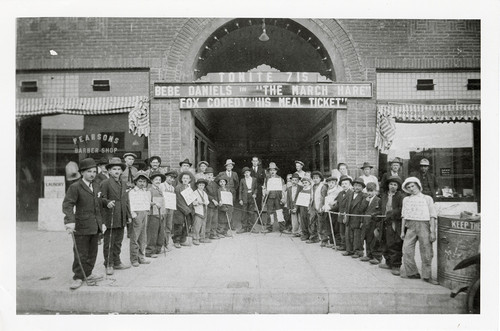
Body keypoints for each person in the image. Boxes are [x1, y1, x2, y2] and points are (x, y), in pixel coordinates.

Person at [62, 158, 104, 290]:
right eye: (89, 171)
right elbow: (68, 205)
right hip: (81, 226)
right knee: (81, 252)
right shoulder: (75, 187)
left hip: (95, 225)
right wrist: (70, 221)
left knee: (93, 252)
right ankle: (78, 277)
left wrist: (102, 223)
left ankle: (88, 273)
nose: (92, 174)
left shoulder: (97, 185)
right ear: (82, 172)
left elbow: (98, 204)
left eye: (94, 171)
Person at [400, 177, 439, 285]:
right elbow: (404, 216)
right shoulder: (406, 199)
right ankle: (412, 273)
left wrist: (432, 231)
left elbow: (432, 215)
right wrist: (402, 231)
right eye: (408, 187)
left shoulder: (427, 198)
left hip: (424, 225)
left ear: (418, 185)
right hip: (411, 226)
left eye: (413, 186)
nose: (411, 188)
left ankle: (427, 276)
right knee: (407, 250)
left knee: (426, 251)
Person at [100, 157, 132, 275]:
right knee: (109, 241)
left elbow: (126, 200)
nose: (117, 171)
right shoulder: (105, 183)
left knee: (118, 241)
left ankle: (117, 261)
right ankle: (109, 263)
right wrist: (107, 202)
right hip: (111, 215)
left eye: (119, 169)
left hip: (122, 215)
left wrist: (128, 215)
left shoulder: (123, 183)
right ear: (109, 171)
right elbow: (101, 198)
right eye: (114, 169)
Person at [374, 176, 405, 276]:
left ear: (398, 186)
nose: (392, 186)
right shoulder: (384, 196)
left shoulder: (401, 196)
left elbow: (402, 209)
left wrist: (392, 213)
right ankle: (388, 262)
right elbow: (381, 209)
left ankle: (396, 265)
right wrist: (376, 214)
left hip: (394, 223)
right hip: (384, 222)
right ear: (388, 185)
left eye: (395, 185)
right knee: (384, 242)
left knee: (394, 244)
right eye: (391, 184)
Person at [128, 171, 152, 267]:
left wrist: (150, 207)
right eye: (140, 181)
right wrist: (133, 215)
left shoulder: (145, 192)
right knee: (135, 237)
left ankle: (141, 256)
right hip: (136, 214)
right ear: (136, 182)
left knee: (143, 237)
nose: (142, 183)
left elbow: (146, 202)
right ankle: (134, 258)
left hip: (144, 213)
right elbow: (131, 204)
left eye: (144, 181)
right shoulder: (132, 192)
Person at [343, 177, 369, 258]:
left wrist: (362, 221)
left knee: (357, 236)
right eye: (355, 185)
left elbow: (362, 209)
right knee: (348, 235)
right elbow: (346, 206)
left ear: (362, 188)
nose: (357, 187)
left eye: (359, 186)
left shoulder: (364, 196)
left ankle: (358, 251)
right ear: (353, 186)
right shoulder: (350, 194)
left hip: (358, 219)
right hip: (349, 217)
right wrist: (345, 216)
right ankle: (349, 250)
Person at [146, 170, 167, 258]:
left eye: (159, 180)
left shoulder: (160, 190)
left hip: (161, 214)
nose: (158, 181)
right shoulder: (149, 190)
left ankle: (158, 249)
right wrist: (154, 203)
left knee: (160, 232)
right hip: (153, 214)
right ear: (152, 181)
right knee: (153, 233)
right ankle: (150, 251)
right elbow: (146, 202)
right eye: (156, 180)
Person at [331, 175, 354, 251]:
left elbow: (350, 205)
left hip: (347, 215)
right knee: (341, 231)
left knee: (347, 233)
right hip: (340, 215)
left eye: (346, 183)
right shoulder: (340, 193)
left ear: (349, 184)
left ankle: (348, 247)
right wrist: (330, 209)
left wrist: (346, 214)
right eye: (342, 184)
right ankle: (343, 245)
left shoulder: (351, 193)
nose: (344, 185)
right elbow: (337, 204)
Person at [262, 162, 286, 233]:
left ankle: (282, 228)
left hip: (278, 197)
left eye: (274, 170)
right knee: (270, 213)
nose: (272, 171)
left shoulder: (280, 178)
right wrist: (265, 192)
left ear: (276, 171)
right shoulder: (267, 179)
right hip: (270, 198)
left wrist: (283, 197)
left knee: (279, 212)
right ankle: (269, 228)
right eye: (271, 170)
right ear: (269, 171)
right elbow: (264, 187)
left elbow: (283, 188)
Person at [173, 172, 195, 248]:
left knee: (187, 225)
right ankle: (176, 240)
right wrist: (186, 209)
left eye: (187, 178)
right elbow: (178, 200)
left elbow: (191, 200)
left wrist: (191, 208)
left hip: (188, 210)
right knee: (179, 225)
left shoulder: (189, 189)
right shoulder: (178, 188)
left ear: (190, 180)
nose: (185, 180)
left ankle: (183, 239)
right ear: (181, 179)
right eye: (184, 178)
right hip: (180, 210)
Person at [359, 182, 380, 262]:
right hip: (366, 223)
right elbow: (361, 210)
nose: (369, 193)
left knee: (374, 240)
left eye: (371, 191)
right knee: (367, 239)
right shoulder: (366, 200)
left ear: (375, 191)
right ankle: (368, 255)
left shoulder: (378, 200)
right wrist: (366, 202)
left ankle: (376, 257)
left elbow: (379, 212)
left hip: (373, 223)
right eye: (368, 191)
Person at [322, 175, 342, 247]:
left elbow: (338, 202)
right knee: (329, 226)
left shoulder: (338, 191)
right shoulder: (328, 190)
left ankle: (337, 242)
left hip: (334, 211)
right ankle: (331, 241)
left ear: (336, 183)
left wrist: (334, 204)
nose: (330, 184)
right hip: (328, 211)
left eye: (332, 183)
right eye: (329, 183)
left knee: (335, 227)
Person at [308, 171, 328, 245]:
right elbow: (311, 197)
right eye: (314, 178)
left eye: (317, 178)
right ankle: (314, 237)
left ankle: (324, 240)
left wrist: (321, 207)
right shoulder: (313, 186)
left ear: (320, 179)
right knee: (312, 222)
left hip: (320, 206)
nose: (315, 179)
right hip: (313, 206)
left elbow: (323, 198)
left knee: (321, 223)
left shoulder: (323, 186)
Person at [237, 167, 258, 234]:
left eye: (247, 172)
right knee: (244, 213)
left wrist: (255, 193)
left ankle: (251, 227)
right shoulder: (242, 180)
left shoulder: (254, 179)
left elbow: (256, 188)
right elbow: (240, 190)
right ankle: (244, 227)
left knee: (251, 212)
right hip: (244, 197)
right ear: (244, 174)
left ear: (250, 172)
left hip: (251, 197)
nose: (246, 174)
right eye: (245, 173)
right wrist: (240, 199)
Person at [162, 169, 177, 251]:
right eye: (170, 177)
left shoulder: (172, 188)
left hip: (170, 208)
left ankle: (166, 243)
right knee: (162, 226)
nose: (172, 180)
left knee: (168, 226)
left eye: (173, 178)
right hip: (164, 208)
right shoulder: (162, 186)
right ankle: (161, 243)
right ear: (166, 177)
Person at [192, 178, 211, 245]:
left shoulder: (204, 193)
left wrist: (206, 202)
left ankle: (202, 237)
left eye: (203, 185)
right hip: (198, 211)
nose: (201, 186)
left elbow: (207, 201)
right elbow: (193, 202)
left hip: (204, 210)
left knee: (203, 225)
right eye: (200, 185)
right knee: (197, 225)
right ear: (197, 185)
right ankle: (195, 238)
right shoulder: (194, 193)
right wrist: (198, 202)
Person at [204, 167, 221, 240]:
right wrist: (213, 200)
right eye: (208, 174)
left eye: (211, 174)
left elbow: (218, 193)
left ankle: (213, 233)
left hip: (216, 205)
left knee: (215, 220)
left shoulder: (215, 184)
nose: (209, 176)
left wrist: (219, 200)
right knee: (209, 220)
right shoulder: (203, 183)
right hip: (209, 204)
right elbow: (205, 194)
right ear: (205, 175)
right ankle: (207, 235)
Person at [299, 176, 313, 241]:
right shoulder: (302, 190)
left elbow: (312, 200)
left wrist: (309, 205)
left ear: (309, 183)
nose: (304, 184)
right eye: (303, 183)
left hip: (308, 207)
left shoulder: (311, 190)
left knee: (309, 220)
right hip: (302, 207)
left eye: (306, 182)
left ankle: (310, 234)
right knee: (303, 220)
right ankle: (305, 234)